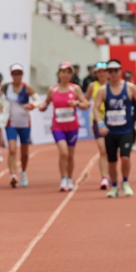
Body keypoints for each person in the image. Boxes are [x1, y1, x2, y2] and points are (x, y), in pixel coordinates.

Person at [94, 60, 136, 197]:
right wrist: (100, 123)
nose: (113, 73)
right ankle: (115, 186)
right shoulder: (103, 90)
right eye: (110, 71)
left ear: (120, 71)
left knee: (125, 158)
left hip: (126, 130)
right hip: (110, 131)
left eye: (116, 70)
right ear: (107, 73)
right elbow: (96, 108)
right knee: (112, 161)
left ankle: (126, 182)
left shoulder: (129, 87)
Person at [40, 62, 91, 191]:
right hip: (58, 127)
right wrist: (41, 107)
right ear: (58, 74)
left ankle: (69, 178)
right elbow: (46, 103)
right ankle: (63, 179)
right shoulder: (53, 89)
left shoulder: (75, 89)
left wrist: (76, 103)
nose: (65, 75)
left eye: (68, 73)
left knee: (70, 155)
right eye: (63, 72)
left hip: (72, 127)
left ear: (71, 75)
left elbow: (86, 104)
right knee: (63, 152)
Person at [2, 64, 38, 187]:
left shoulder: (27, 87)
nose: (17, 76)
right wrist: (0, 105)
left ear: (22, 75)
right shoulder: (6, 87)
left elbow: (37, 100)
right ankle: (12, 175)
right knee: (12, 149)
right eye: (14, 74)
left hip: (25, 123)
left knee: (25, 153)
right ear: (11, 75)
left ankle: (23, 172)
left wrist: (32, 105)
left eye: (19, 73)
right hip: (11, 123)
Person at [87, 62, 112, 189]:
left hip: (113, 120)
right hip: (98, 120)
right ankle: (104, 178)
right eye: (99, 72)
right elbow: (85, 99)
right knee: (102, 149)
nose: (101, 74)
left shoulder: (113, 84)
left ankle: (112, 174)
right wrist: (79, 103)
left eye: (104, 71)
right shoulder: (93, 86)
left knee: (111, 150)